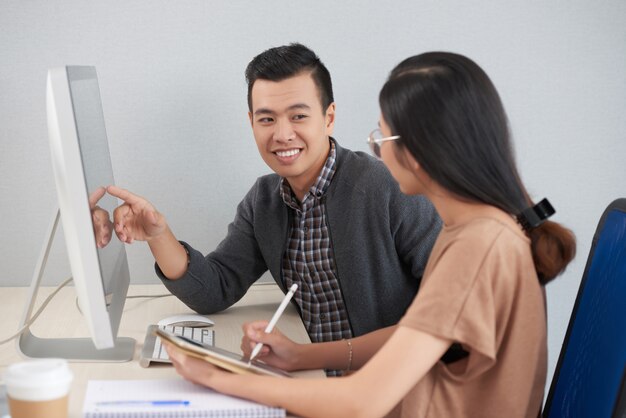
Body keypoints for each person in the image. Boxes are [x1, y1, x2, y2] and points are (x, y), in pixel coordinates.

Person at [163, 52, 577, 418]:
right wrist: (302, 355)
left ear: (421, 148)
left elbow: (363, 402)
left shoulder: (477, 247)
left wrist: (220, 380)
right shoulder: (475, 232)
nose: (377, 151)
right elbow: (416, 339)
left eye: (381, 137)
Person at [101, 43, 441, 373]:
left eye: (298, 116)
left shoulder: (388, 186)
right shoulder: (264, 201)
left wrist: (307, 358)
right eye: (267, 120)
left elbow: (449, 319)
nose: (282, 134)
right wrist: (159, 234)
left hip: (392, 380)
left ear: (329, 118)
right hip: (315, 376)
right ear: (251, 122)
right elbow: (215, 289)